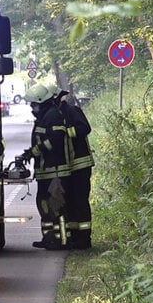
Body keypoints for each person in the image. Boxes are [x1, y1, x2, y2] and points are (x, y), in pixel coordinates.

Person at [22, 84, 69, 250]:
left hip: (54, 172)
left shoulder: (53, 116)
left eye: (33, 104)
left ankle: (61, 240)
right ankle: (48, 238)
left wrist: (34, 151)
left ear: (41, 102)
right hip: (44, 172)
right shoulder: (44, 116)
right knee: (44, 206)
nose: (32, 108)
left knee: (56, 208)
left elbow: (56, 138)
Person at [58, 93, 94, 249]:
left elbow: (85, 128)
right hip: (70, 168)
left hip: (81, 166)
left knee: (80, 203)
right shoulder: (58, 114)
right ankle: (74, 238)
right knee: (71, 203)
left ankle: (84, 239)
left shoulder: (73, 111)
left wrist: (65, 132)